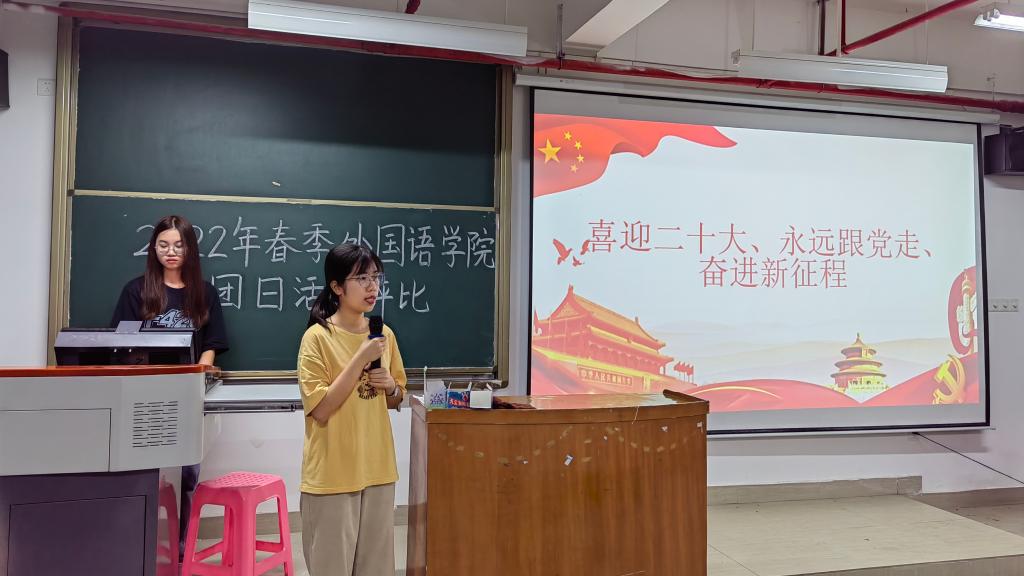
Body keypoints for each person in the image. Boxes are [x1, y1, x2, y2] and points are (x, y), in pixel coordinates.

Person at [110, 214, 229, 558]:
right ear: (154, 248)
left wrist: (199, 371)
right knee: (146, 474)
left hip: (189, 397)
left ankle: (180, 548)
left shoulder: (204, 293)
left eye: (179, 245)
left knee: (188, 475)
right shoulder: (136, 290)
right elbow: (120, 343)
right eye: (163, 245)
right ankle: (141, 545)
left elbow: (212, 344)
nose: (171, 251)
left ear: (190, 249)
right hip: (144, 398)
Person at [297, 243, 406, 576]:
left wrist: (391, 387)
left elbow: (396, 398)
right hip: (333, 474)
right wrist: (360, 357)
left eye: (376, 277)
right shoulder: (317, 338)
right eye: (362, 278)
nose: (373, 286)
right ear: (337, 287)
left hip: (377, 469)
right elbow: (321, 409)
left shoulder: (384, 335)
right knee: (332, 567)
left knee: (377, 569)